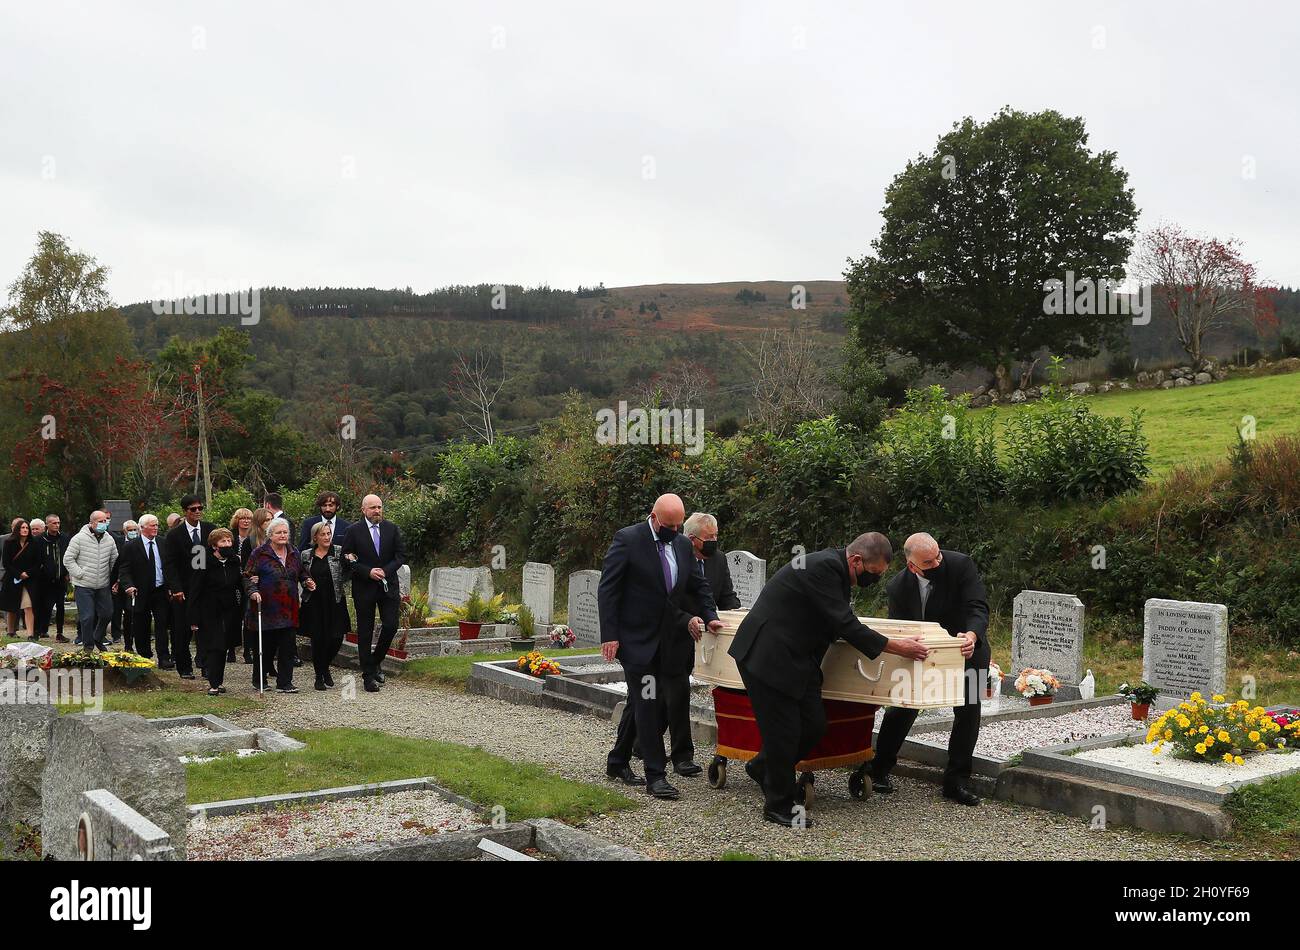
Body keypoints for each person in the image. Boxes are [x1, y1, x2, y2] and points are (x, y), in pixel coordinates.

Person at [728, 533, 931, 827]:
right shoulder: (823, 568)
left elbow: (834, 617)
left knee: (813, 726)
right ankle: (779, 805)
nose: (871, 581)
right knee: (782, 733)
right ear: (856, 560)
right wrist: (899, 647)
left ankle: (763, 767)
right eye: (871, 574)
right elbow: (844, 623)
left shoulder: (835, 569)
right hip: (768, 656)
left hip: (798, 657)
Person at [600, 494, 721, 801]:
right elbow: (609, 587)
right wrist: (610, 634)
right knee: (648, 701)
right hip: (635, 639)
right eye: (670, 525)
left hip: (668, 638)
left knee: (637, 704)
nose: (675, 530)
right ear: (654, 518)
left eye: (679, 525)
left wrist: (710, 616)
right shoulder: (629, 539)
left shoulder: (681, 544)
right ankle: (656, 775)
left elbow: (697, 584)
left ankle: (617, 761)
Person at [870, 533, 988, 807]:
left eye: (938, 556)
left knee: (969, 710)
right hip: (922, 653)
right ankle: (879, 768)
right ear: (912, 566)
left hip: (966, 650)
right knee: (903, 705)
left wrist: (972, 634)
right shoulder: (898, 587)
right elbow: (900, 628)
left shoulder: (961, 565)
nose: (937, 562)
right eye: (929, 561)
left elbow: (977, 606)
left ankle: (956, 781)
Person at [340, 494, 405, 693]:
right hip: (365, 587)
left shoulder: (391, 529)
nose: (377, 511)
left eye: (379, 507)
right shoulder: (353, 531)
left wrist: (385, 570)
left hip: (388, 586)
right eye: (372, 508)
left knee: (391, 625)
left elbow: (400, 555)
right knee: (365, 632)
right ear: (364, 510)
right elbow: (346, 558)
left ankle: (376, 661)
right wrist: (367, 571)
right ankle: (368, 676)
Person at [245, 517, 314, 693]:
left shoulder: (294, 552)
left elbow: (302, 573)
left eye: (285, 532)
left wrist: (307, 581)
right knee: (265, 647)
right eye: (279, 532)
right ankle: (259, 680)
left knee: (287, 646)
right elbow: (247, 576)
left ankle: (285, 682)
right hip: (266, 606)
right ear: (270, 535)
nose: (283, 535)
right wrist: (253, 591)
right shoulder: (260, 553)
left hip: (289, 607)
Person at [162, 495, 216, 679]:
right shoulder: (175, 535)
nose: (198, 511)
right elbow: (169, 564)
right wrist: (176, 588)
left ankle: (206, 664)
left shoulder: (210, 530)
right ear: (185, 511)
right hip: (183, 589)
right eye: (193, 509)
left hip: (205, 589)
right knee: (182, 630)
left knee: (207, 629)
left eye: (200, 508)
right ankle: (184, 666)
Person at [187, 528, 245, 696]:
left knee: (224, 646)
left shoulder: (234, 561)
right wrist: (193, 617)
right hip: (209, 610)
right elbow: (195, 590)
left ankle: (218, 681)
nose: (227, 544)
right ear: (214, 545)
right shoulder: (203, 561)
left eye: (229, 541)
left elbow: (239, 584)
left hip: (229, 609)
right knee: (215, 646)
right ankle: (213, 682)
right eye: (223, 542)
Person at [299, 521, 351, 691]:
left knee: (336, 638)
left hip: (334, 599)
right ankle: (319, 675)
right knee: (318, 639)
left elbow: (348, 570)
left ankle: (324, 666)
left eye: (329, 533)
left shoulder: (338, 551)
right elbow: (300, 573)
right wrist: (306, 581)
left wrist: (351, 561)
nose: (327, 537)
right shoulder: (306, 555)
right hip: (314, 601)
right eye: (323, 534)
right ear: (315, 537)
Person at [118, 514, 172, 663]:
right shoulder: (131, 546)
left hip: (160, 590)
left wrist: (171, 585)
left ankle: (164, 656)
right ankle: (144, 655)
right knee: (142, 624)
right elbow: (124, 570)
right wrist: (128, 586)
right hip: (140, 591)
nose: (155, 528)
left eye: (156, 525)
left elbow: (168, 566)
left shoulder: (163, 543)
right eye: (152, 525)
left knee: (161, 623)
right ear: (142, 528)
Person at [63, 510, 119, 650]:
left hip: (103, 584)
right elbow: (68, 559)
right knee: (87, 617)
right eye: (100, 521)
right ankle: (88, 647)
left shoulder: (109, 539)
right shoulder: (79, 538)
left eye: (105, 521)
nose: (103, 524)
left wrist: (113, 578)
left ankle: (97, 637)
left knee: (107, 613)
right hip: (84, 585)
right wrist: (80, 574)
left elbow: (114, 560)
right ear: (92, 522)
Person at [2, 518, 40, 638]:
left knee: (28, 606)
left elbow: (38, 563)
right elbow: (6, 563)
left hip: (29, 579)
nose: (25, 530)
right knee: (12, 607)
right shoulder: (9, 543)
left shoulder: (34, 543)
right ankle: (11, 631)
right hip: (13, 578)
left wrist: (27, 573)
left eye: (26, 528)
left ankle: (30, 634)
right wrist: (19, 574)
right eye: (22, 528)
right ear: (17, 529)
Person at [38, 514, 72, 642]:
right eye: (54, 523)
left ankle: (59, 632)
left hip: (61, 578)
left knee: (60, 605)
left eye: (58, 523)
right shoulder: (41, 540)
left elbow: (69, 556)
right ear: (47, 524)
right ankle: (42, 629)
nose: (57, 525)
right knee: (46, 605)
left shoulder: (64, 538)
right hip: (45, 579)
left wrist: (68, 572)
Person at [109, 519, 138, 651]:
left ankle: (132, 635)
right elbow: (116, 564)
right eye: (130, 530)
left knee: (130, 610)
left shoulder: (139, 543)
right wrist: (114, 581)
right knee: (117, 609)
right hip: (119, 581)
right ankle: (116, 634)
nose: (133, 532)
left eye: (135, 529)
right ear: (124, 531)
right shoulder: (118, 542)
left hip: (134, 583)